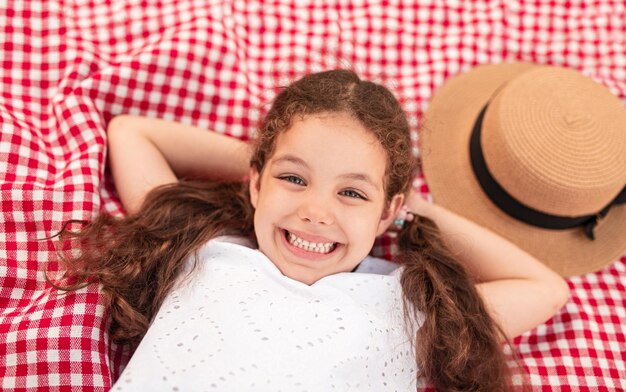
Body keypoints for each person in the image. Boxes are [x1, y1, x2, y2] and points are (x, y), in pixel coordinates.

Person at [53, 70, 569, 391]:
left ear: (386, 213)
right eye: (294, 179)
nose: (316, 211)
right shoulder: (201, 251)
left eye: (352, 193)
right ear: (256, 182)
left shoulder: (411, 305)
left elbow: (545, 288)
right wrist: (265, 165)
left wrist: (410, 207)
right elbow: (133, 134)